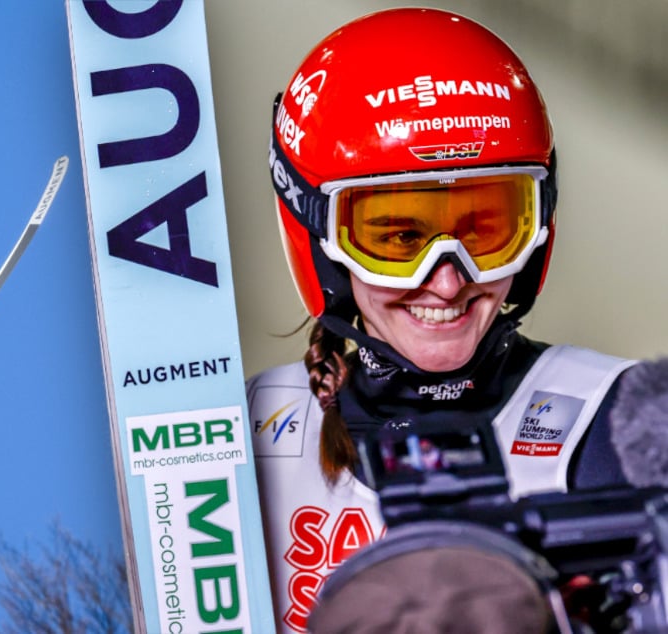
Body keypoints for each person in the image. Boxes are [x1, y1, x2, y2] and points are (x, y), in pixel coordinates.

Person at [247, 7, 642, 632]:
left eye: (486, 228)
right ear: (315, 233)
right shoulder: (240, 438)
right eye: (399, 237)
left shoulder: (621, 422)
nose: (448, 279)